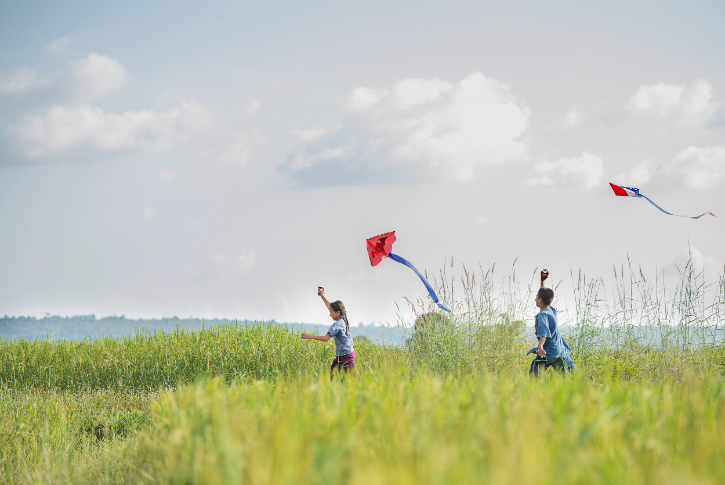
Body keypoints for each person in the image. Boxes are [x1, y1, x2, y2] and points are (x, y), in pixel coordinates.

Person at [301, 287, 361, 381]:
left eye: (331, 312)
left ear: (338, 312)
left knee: (354, 378)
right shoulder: (343, 317)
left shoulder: (337, 325)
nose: (329, 314)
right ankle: (334, 391)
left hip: (346, 355)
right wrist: (322, 296)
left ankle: (365, 390)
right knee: (334, 373)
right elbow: (330, 306)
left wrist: (309, 336)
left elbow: (326, 338)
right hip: (342, 354)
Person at [528, 270, 575, 377]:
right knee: (572, 374)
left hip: (547, 350)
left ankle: (533, 392)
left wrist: (540, 345)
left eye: (536, 296)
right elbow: (544, 295)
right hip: (559, 349)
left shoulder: (542, 315)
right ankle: (595, 385)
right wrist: (542, 281)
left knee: (535, 371)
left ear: (540, 300)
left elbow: (544, 332)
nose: (535, 299)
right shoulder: (551, 310)